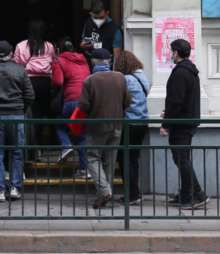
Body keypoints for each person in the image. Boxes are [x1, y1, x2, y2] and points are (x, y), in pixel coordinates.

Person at [77, 48, 130, 209]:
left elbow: (84, 105)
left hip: (97, 126)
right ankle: (106, 193)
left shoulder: (89, 81)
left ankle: (104, 190)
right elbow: (128, 101)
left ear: (93, 62)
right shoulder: (120, 78)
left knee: (92, 157)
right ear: (109, 61)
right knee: (109, 160)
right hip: (117, 126)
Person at [0, 40, 34, 202]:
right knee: (17, 153)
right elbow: (29, 95)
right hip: (16, 115)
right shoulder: (20, 70)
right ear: (11, 54)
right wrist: (21, 109)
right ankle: (14, 188)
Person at [159, 39, 207, 210]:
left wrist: (165, 124)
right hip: (188, 120)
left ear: (176, 53)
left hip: (180, 123)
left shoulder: (180, 72)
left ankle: (197, 193)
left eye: (172, 52)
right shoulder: (191, 71)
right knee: (183, 157)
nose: (171, 54)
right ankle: (187, 194)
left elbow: (175, 101)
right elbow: (183, 100)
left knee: (181, 158)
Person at [114, 50, 149, 205]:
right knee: (134, 158)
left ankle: (132, 194)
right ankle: (135, 192)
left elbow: (121, 101)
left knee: (124, 159)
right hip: (142, 123)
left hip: (128, 123)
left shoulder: (123, 80)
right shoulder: (142, 78)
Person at [51, 37, 91, 177]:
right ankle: (84, 169)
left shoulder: (59, 60)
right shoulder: (83, 59)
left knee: (61, 126)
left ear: (58, 50)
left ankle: (66, 145)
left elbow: (57, 82)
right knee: (81, 134)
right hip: (85, 101)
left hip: (70, 100)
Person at [13, 20, 55, 135]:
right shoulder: (49, 46)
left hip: (28, 81)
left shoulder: (21, 45)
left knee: (31, 114)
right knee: (44, 113)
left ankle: (33, 145)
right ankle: (47, 144)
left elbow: (16, 64)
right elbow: (53, 62)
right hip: (45, 82)